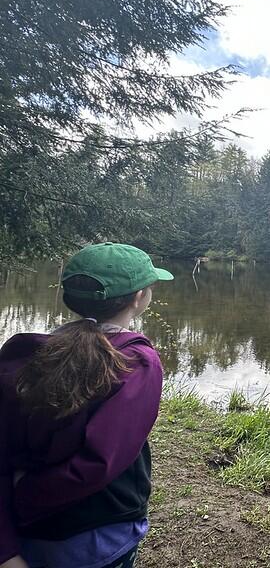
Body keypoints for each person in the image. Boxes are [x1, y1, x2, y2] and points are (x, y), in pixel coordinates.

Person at [0, 243, 173, 568]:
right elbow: (100, 462)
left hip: (27, 534)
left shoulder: (26, 354)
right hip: (98, 536)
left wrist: (8, 533)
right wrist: (28, 496)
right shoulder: (137, 362)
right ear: (139, 298)